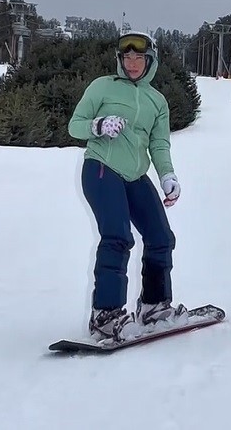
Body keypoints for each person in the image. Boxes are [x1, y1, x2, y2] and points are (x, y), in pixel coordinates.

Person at [67, 31, 184, 340]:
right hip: (101, 169)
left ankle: (154, 306)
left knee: (161, 237)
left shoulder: (156, 100)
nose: (132, 63)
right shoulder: (102, 86)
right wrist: (99, 125)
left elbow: (159, 144)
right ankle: (106, 315)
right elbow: (74, 125)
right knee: (117, 236)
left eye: (139, 57)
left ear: (150, 60)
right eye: (127, 57)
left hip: (135, 176)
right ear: (119, 60)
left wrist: (167, 175)